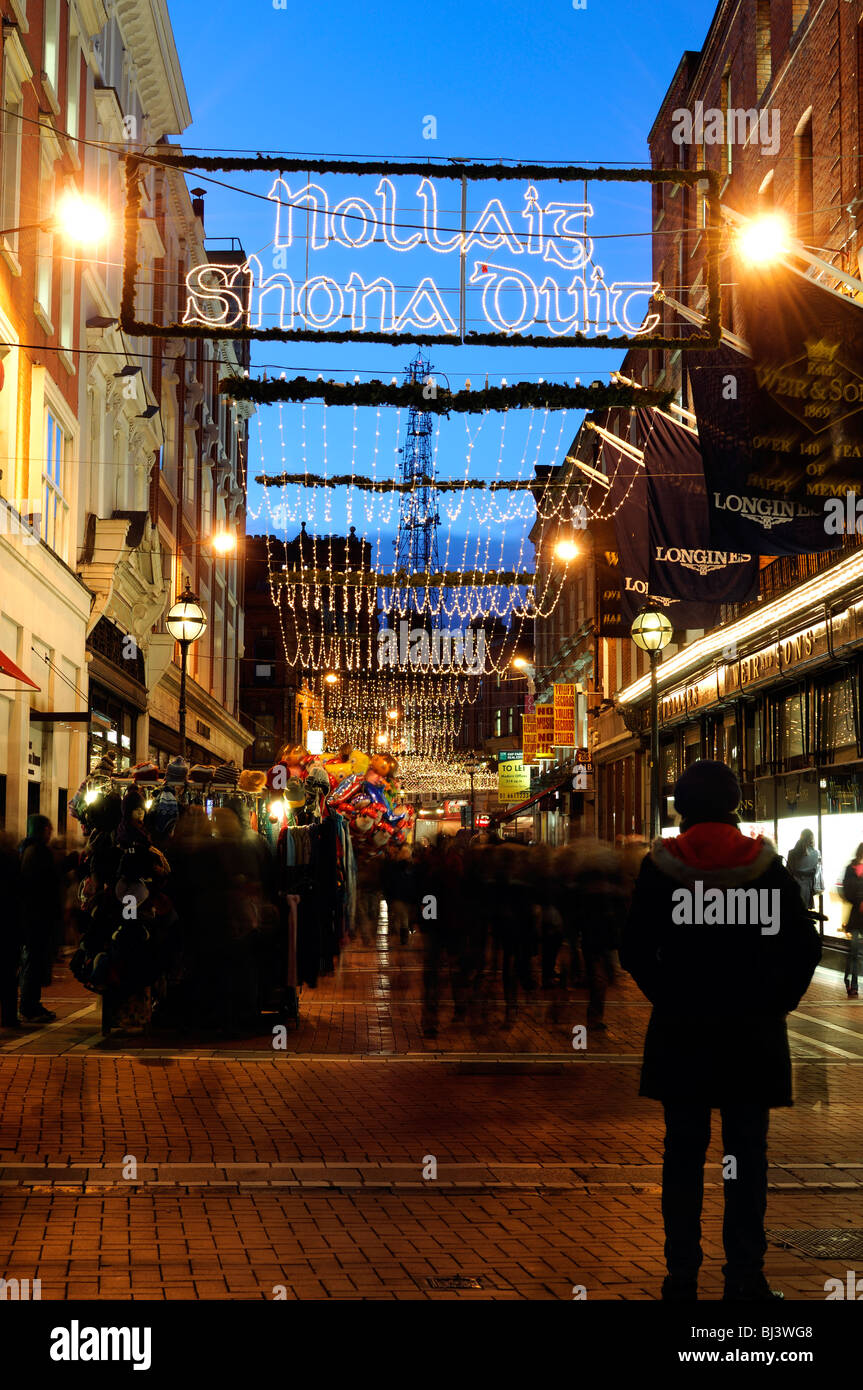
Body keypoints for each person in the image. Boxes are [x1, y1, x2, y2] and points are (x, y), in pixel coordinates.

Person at [621, 760, 821, 1302]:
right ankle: (745, 1277)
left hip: (684, 1033)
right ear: (735, 805)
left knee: (683, 1153)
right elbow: (805, 947)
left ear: (682, 808)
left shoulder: (661, 870)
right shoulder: (768, 870)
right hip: (750, 1037)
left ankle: (680, 1274)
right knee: (746, 1157)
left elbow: (635, 948)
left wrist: (671, 995)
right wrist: (773, 1002)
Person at [18, 814, 63, 1023]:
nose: (51, 832)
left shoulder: (26, 850)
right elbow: (46, 884)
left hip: (31, 915)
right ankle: (29, 1005)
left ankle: (31, 1003)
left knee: (33, 961)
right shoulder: (38, 852)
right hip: (37, 916)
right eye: (48, 828)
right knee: (34, 962)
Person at [841, 844, 863, 999]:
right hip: (856, 915)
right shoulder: (851, 868)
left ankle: (851, 982)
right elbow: (846, 890)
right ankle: (853, 984)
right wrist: (859, 900)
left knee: (854, 952)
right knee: (854, 951)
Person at [786, 829, 823, 909]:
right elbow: (818, 872)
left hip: (794, 888)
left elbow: (788, 871)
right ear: (812, 839)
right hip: (808, 888)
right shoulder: (817, 853)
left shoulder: (792, 853)